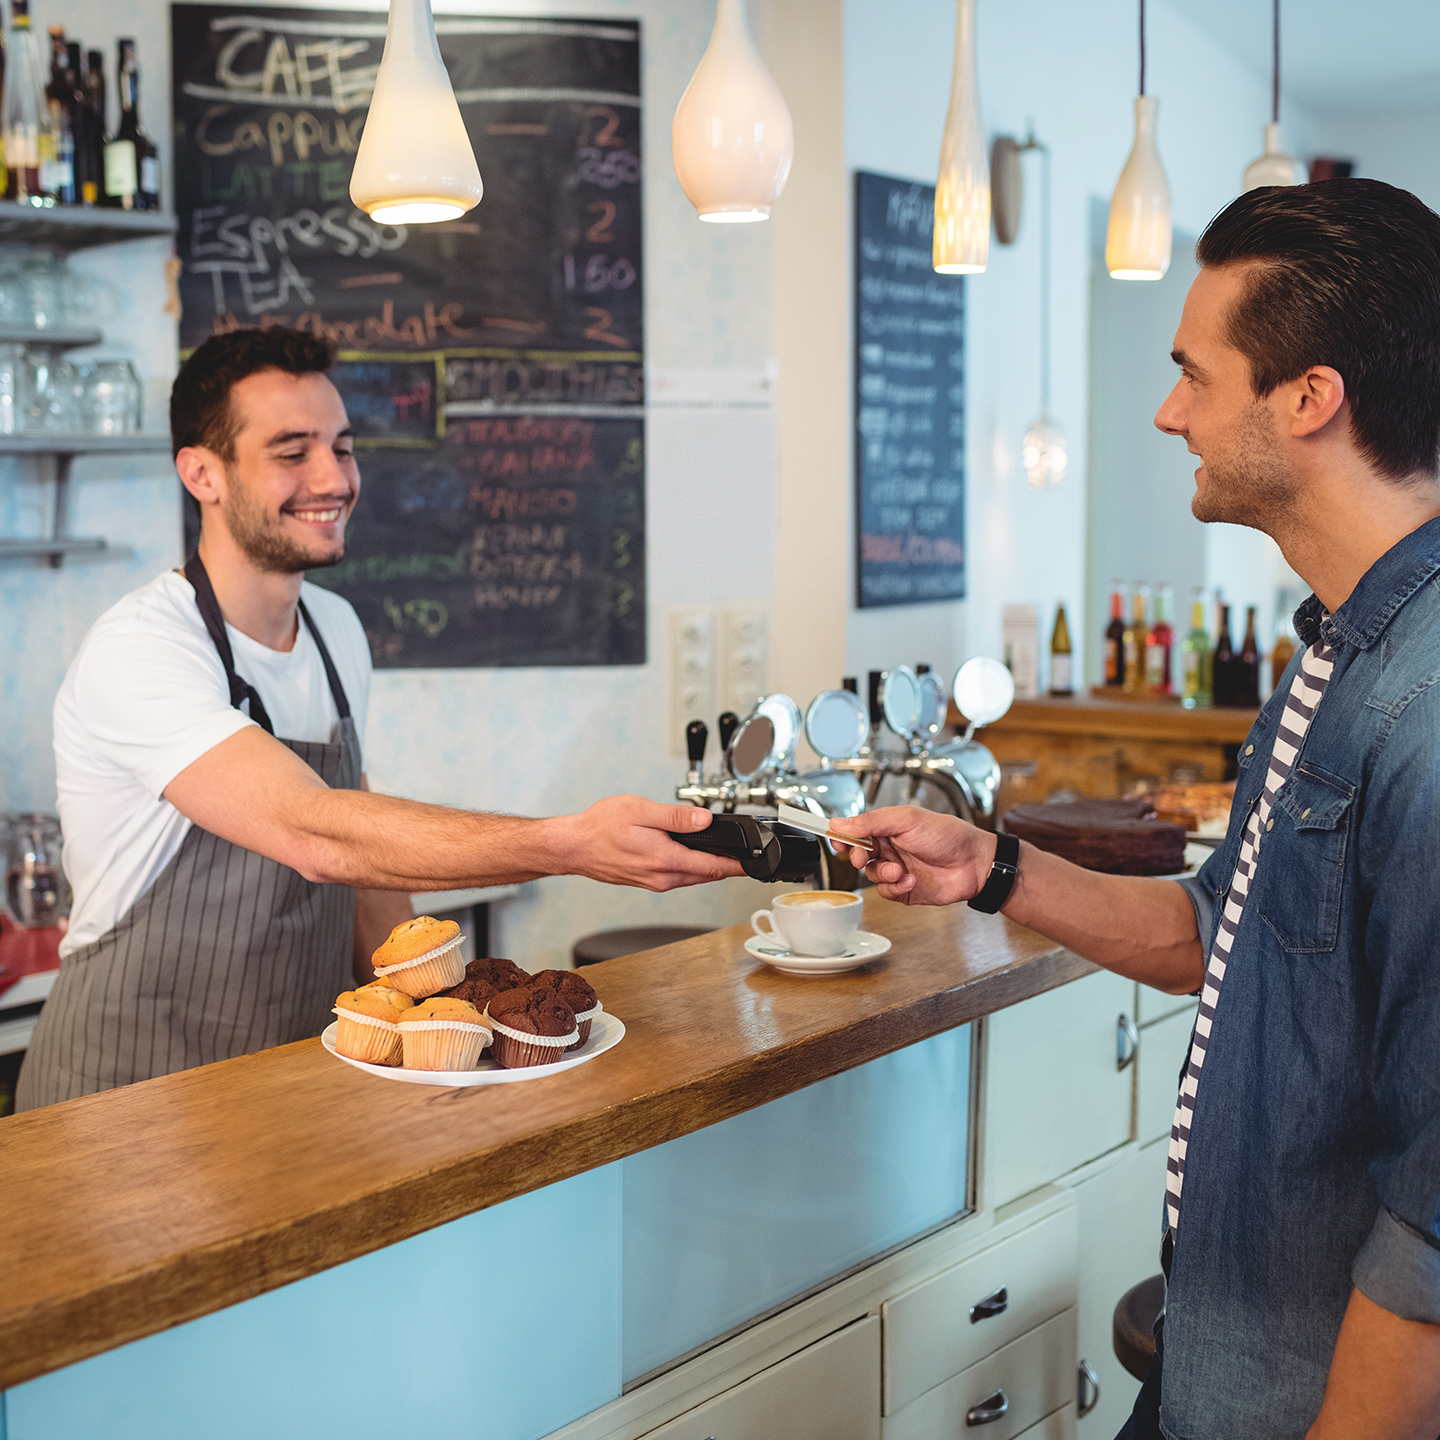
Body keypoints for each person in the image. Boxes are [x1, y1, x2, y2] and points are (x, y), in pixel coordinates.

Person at [837, 180, 1440, 1440]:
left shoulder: (1425, 705)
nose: (1169, 414)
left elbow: (1435, 1219)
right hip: (1220, 1358)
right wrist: (994, 868)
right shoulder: (1335, 648)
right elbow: (1222, 934)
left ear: (1309, 399)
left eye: (1192, 374)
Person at [16, 328, 736, 1111]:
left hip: (293, 1083)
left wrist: (445, 1030)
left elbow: (365, 878)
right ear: (203, 473)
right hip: (125, 1101)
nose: (334, 478)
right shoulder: (144, 647)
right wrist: (568, 843)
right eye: (293, 452)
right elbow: (319, 835)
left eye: (344, 447)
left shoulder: (336, 632)